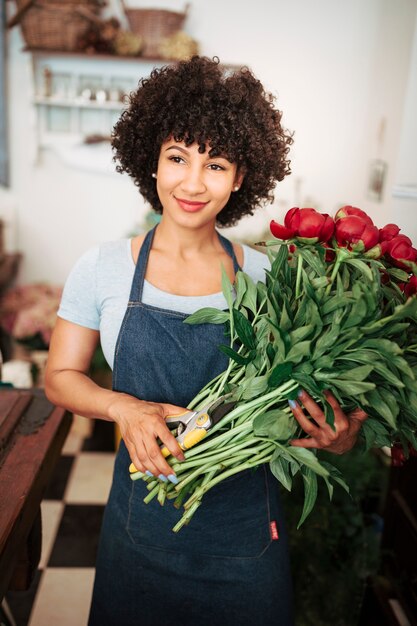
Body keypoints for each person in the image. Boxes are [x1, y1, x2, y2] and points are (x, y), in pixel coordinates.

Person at [45, 56, 367, 626]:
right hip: (141, 526)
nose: (192, 183)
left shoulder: (270, 278)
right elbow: (59, 377)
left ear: (242, 176)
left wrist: (334, 437)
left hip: (245, 538)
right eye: (178, 158)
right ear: (152, 159)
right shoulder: (102, 269)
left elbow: (291, 402)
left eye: (216, 164)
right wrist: (124, 406)